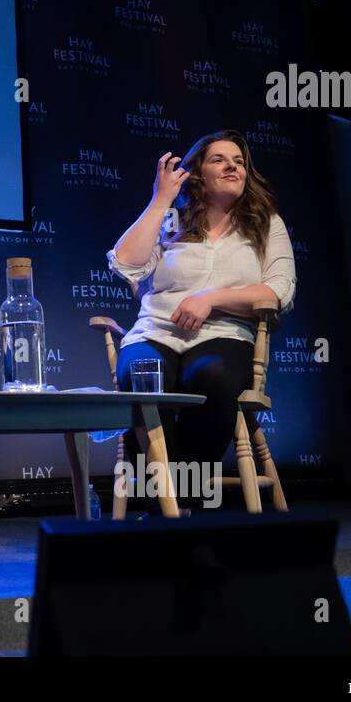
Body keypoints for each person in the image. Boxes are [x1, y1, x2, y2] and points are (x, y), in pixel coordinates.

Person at [107, 130, 296, 507]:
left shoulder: (265, 224)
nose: (233, 166)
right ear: (197, 174)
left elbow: (279, 293)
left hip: (225, 334)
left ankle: (177, 500)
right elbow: (126, 263)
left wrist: (212, 299)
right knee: (145, 378)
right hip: (156, 331)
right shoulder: (171, 221)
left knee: (211, 376)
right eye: (219, 160)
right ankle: (168, 503)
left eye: (239, 161)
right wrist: (161, 200)